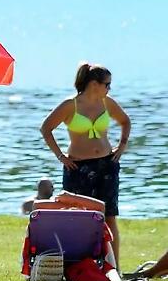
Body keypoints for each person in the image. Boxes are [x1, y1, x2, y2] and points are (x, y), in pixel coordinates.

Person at [40, 63, 131, 268]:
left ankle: (114, 268)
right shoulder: (70, 105)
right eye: (107, 84)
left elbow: (125, 121)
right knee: (77, 217)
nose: (109, 88)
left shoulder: (107, 103)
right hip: (77, 168)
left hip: (107, 165)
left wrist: (122, 145)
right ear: (94, 84)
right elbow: (46, 129)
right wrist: (61, 156)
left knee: (109, 216)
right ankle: (75, 266)